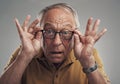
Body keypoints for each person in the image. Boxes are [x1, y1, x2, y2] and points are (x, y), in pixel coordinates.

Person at [0, 3, 110, 84]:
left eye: (65, 32)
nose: (56, 42)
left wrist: (87, 63)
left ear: (75, 34)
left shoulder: (89, 55)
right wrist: (24, 56)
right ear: (39, 33)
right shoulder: (24, 52)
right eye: (49, 32)